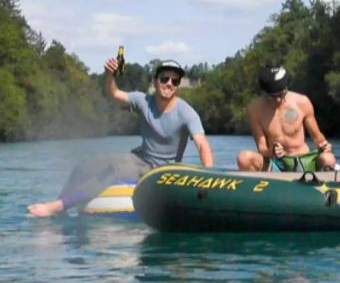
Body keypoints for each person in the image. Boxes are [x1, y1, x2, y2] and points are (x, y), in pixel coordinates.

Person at [28, 58, 214, 217]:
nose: (169, 84)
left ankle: (56, 207)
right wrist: (110, 75)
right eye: (165, 78)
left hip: (160, 170)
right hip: (140, 158)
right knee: (85, 165)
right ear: (155, 80)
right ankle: (61, 203)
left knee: (115, 170)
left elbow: (202, 145)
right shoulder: (143, 101)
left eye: (175, 81)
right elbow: (114, 94)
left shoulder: (186, 113)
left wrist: (209, 178)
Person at [236, 65, 336, 172]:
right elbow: (262, 149)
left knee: (328, 158)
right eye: (273, 96)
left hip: (305, 160)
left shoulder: (302, 102)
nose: (279, 100)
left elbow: (318, 138)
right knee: (243, 158)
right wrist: (272, 152)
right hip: (277, 163)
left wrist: (324, 146)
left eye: (282, 94)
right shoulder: (254, 109)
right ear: (265, 93)